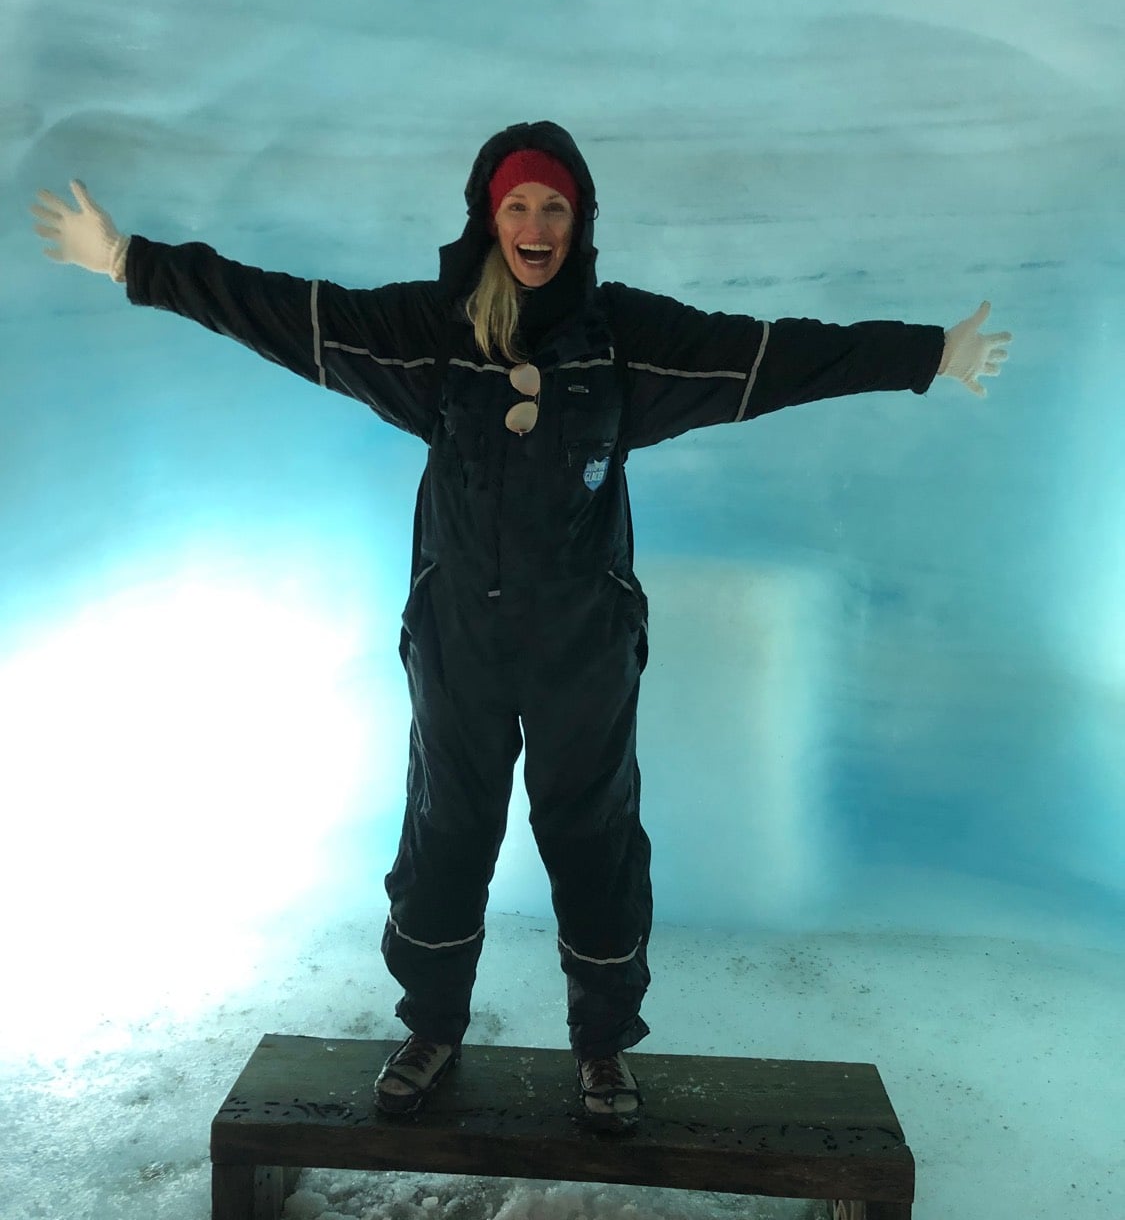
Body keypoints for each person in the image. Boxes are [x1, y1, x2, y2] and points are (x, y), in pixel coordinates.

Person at [31, 119, 1012, 1134]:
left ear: (580, 221)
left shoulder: (625, 342)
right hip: (460, 643)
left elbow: (767, 358)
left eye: (554, 206)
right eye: (517, 205)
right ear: (487, 217)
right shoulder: (433, 334)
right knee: (447, 834)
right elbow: (291, 316)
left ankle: (600, 1050)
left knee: (592, 841)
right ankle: (432, 1028)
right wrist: (128, 261)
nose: (536, 223)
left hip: (583, 649)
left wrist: (928, 353)